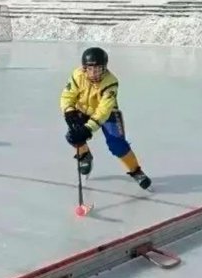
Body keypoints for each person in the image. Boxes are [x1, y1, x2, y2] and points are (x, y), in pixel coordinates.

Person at [60, 46, 151, 189]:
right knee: (73, 135)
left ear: (105, 68)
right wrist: (70, 112)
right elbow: (67, 96)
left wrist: (88, 128)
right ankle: (85, 155)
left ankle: (136, 171)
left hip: (109, 114)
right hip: (83, 110)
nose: (94, 74)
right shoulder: (77, 75)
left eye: (98, 69)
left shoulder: (111, 82)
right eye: (90, 69)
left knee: (117, 145)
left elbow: (104, 110)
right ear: (84, 68)